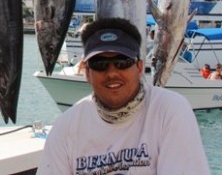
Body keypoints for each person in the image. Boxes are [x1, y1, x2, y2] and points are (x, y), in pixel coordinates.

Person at [36, 17, 210, 174]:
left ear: (140, 67)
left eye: (122, 62)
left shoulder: (170, 110)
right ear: (87, 73)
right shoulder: (65, 127)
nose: (112, 73)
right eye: (100, 64)